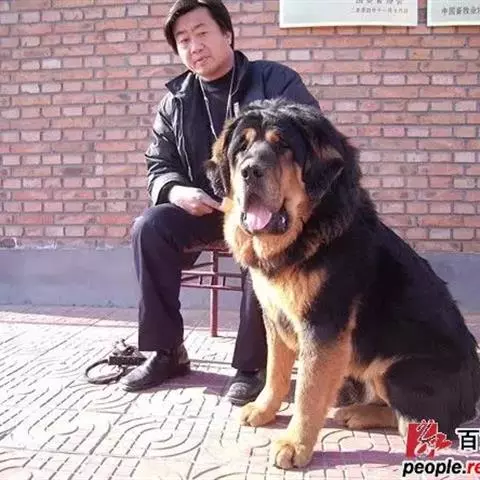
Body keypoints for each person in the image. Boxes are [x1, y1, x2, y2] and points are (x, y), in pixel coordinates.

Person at [121, 0, 320, 406]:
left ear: (227, 34)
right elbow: (158, 164)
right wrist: (176, 191)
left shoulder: (275, 81)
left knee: (259, 235)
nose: (194, 46)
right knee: (149, 227)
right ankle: (166, 352)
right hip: (204, 209)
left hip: (265, 206)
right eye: (183, 40)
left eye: (202, 33)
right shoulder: (175, 101)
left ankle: (251, 367)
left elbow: (310, 135)